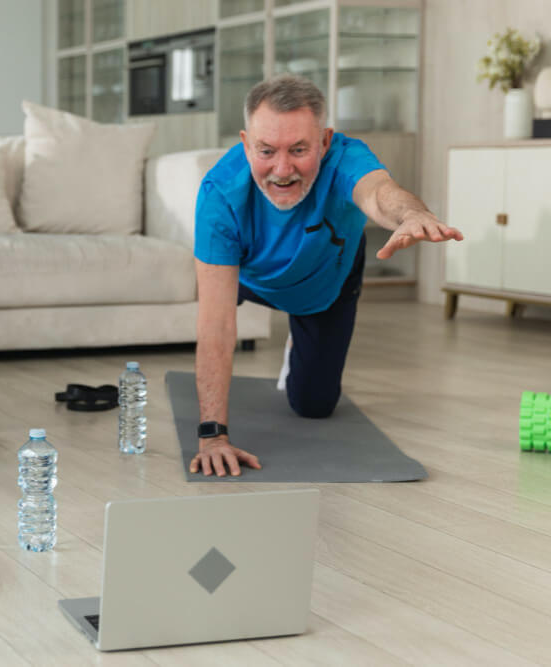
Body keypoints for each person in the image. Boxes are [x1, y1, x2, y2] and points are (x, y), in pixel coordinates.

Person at [190, 74, 462, 477]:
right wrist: (213, 435)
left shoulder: (347, 158)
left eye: (299, 149)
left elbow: (379, 194)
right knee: (215, 297)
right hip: (251, 275)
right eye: (266, 151)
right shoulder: (220, 194)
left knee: (315, 407)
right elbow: (216, 327)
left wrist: (412, 214)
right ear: (246, 144)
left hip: (325, 281)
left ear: (324, 141)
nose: (282, 170)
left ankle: (299, 344)